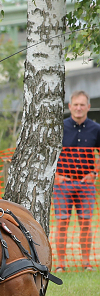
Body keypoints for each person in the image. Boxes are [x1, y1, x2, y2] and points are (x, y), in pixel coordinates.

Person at [53, 90, 100, 272]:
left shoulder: (96, 129)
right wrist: (55, 176)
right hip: (62, 184)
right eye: (76, 104)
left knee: (86, 222)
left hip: (86, 184)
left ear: (88, 107)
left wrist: (94, 174)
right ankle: (61, 265)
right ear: (69, 106)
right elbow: (49, 154)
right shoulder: (59, 128)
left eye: (82, 104)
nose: (79, 108)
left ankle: (87, 263)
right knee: (62, 223)